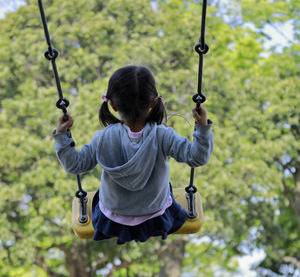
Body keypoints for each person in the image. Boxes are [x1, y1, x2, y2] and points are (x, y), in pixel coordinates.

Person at [53, 65, 213, 245]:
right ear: (154, 102)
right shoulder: (162, 135)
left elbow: (75, 165)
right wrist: (203, 128)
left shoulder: (103, 137)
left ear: (112, 105)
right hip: (156, 218)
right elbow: (197, 157)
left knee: (99, 198)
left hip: (112, 221)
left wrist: (62, 137)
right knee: (166, 188)